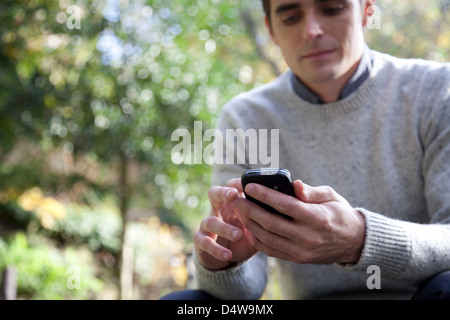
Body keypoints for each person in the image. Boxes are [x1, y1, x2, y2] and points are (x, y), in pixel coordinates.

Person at [164, 0, 450, 300]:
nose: (311, 30)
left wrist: (362, 240)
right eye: (290, 17)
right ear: (270, 30)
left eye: (332, 9)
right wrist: (224, 264)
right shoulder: (244, 118)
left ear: (367, 10)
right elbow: (243, 293)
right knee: (185, 303)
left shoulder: (435, 90)